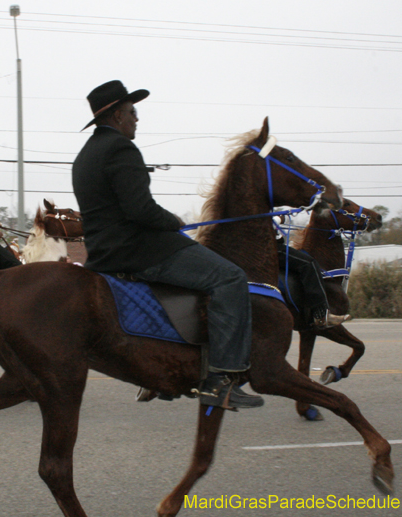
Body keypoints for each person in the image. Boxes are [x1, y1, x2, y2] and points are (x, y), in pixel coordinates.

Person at [72, 80, 263, 411]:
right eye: (133, 112)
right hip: (138, 249)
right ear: (117, 115)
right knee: (229, 277)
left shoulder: (85, 156)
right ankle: (221, 379)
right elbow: (140, 210)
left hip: (103, 252)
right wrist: (173, 221)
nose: (137, 119)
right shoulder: (121, 149)